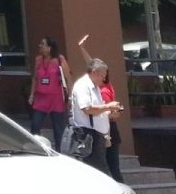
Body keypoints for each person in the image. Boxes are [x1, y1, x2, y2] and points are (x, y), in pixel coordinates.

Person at [78, 34, 125, 182]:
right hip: (98, 130)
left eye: (104, 75)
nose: (102, 77)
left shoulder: (106, 85)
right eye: (101, 75)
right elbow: (91, 64)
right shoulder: (92, 86)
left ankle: (122, 190)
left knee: (113, 167)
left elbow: (95, 67)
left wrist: (114, 112)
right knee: (101, 167)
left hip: (110, 129)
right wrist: (82, 48)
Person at [70, 58, 122, 169]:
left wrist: (110, 113)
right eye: (102, 76)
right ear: (94, 72)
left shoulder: (95, 87)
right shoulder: (83, 86)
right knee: (98, 171)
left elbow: (98, 111)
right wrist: (108, 106)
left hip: (98, 136)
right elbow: (87, 109)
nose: (104, 79)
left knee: (101, 169)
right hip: (88, 136)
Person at [27, 36, 71, 147]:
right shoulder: (38, 60)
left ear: (49, 47)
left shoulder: (60, 59)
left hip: (56, 99)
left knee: (58, 128)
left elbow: (68, 78)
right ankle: (35, 148)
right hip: (41, 98)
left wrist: (70, 97)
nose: (40, 46)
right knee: (35, 124)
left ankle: (59, 151)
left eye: (43, 44)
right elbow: (35, 78)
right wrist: (32, 95)